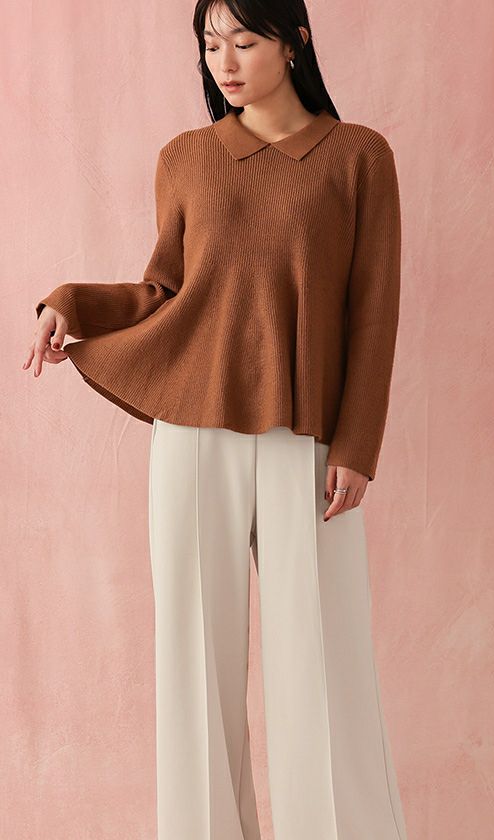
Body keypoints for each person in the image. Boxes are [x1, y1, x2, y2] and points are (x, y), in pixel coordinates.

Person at [23, 1, 407, 838]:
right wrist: (68, 303)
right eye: (209, 44)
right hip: (194, 436)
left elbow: (373, 313)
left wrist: (357, 445)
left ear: (294, 43)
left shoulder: (359, 157)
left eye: (244, 40)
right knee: (194, 659)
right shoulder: (186, 158)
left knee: (322, 657)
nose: (223, 61)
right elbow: (164, 292)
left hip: (310, 440)